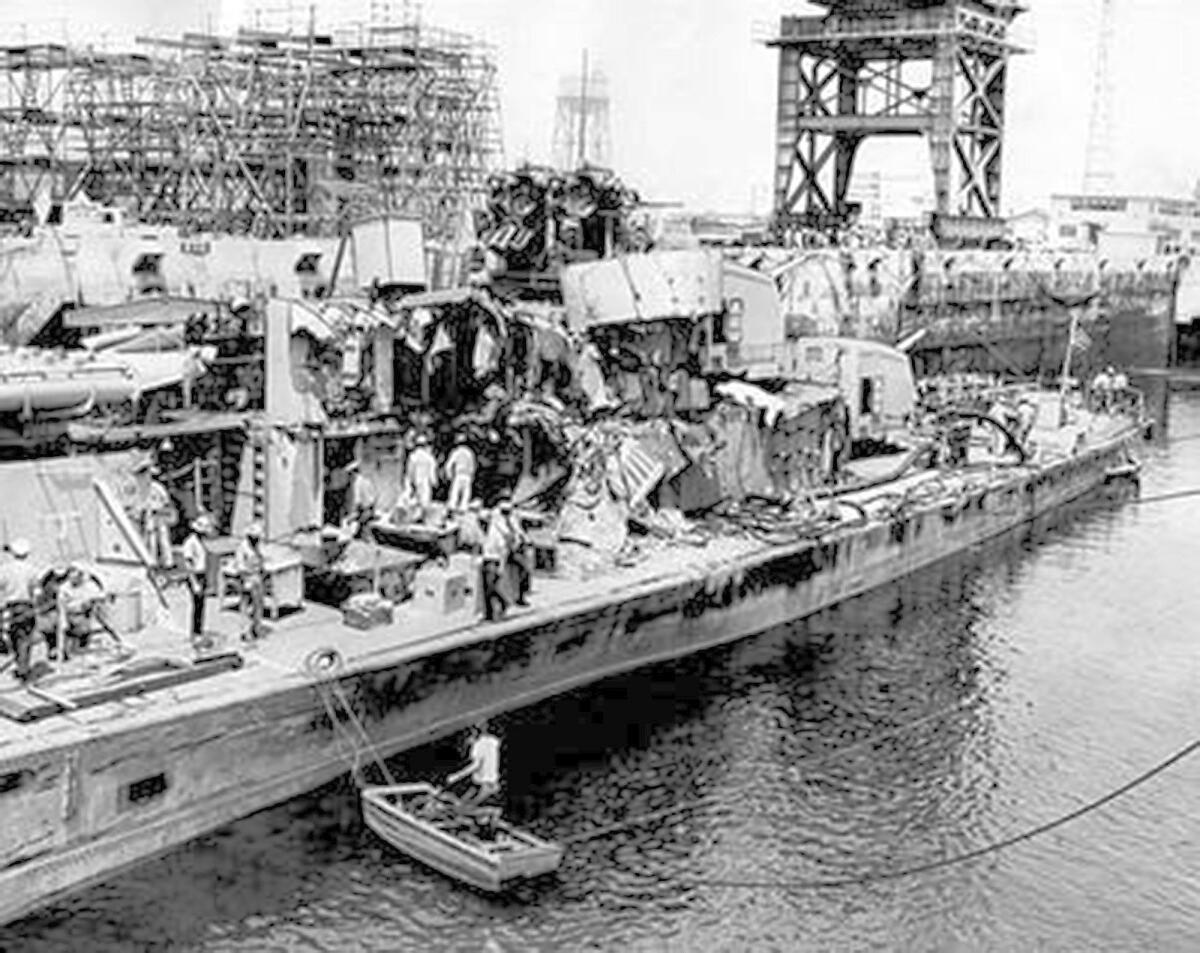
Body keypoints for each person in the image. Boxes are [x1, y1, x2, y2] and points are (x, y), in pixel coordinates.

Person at [0, 539, 41, 683]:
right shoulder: (33, 570)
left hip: (9, 608)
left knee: (13, 637)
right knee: (25, 639)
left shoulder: (4, 569)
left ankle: (20, 666)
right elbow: (37, 592)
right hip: (26, 607)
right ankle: (23, 669)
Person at [57, 564, 118, 655]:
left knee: (100, 610)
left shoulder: (88, 586)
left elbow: (97, 595)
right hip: (73, 618)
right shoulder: (64, 589)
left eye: (76, 576)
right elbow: (63, 607)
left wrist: (105, 596)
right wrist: (80, 606)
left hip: (87, 616)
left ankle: (111, 637)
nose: (73, 578)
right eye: (71, 576)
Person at [128, 459, 174, 567]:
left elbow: (166, 502)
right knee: (149, 538)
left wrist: (158, 509)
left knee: (163, 538)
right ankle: (151, 561)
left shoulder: (157, 488)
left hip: (159, 516)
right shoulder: (140, 490)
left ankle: (168, 561)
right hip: (148, 516)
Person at [446, 723, 502, 810]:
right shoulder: (492, 741)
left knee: (462, 808)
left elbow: (475, 765)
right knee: (461, 803)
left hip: (483, 785)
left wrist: (456, 776)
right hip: (490, 782)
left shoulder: (478, 746)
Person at [181, 513, 216, 641]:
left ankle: (199, 630)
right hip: (195, 575)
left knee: (201, 605)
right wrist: (194, 582)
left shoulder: (200, 542)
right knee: (197, 605)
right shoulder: (190, 543)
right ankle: (195, 632)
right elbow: (188, 565)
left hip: (201, 574)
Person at [231, 522, 267, 642]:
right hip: (247, 578)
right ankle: (245, 631)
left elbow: (261, 560)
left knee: (258, 605)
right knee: (246, 607)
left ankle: (257, 628)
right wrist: (246, 578)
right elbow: (240, 566)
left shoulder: (257, 547)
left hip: (257, 577)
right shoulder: (242, 548)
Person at [480, 504, 510, 622]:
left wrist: (501, 567)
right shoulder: (491, 529)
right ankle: (488, 614)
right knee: (486, 589)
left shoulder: (499, 535)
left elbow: (503, 552)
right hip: (486, 559)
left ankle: (503, 602)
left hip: (494, 561)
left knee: (491, 588)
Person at [502, 501, 531, 607]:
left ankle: (520, 595)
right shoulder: (498, 518)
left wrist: (525, 540)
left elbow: (519, 531)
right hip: (506, 549)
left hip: (515, 548)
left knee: (524, 571)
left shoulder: (514, 517)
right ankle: (513, 597)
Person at [404, 435, 438, 521]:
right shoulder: (429, 457)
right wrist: (434, 482)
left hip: (416, 480)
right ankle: (423, 518)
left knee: (415, 499)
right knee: (425, 500)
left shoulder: (413, 456)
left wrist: (409, 482)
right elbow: (432, 471)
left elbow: (409, 471)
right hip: (425, 481)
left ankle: (414, 517)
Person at [444, 435, 477, 514]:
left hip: (458, 474)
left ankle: (452, 505)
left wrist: (449, 475)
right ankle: (463, 507)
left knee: (455, 491)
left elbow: (449, 464)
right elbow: (472, 465)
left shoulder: (456, 452)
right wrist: (472, 475)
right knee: (466, 492)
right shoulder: (470, 453)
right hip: (467, 475)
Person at [344, 460, 378, 536]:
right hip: (361, 511)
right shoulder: (356, 483)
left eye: (350, 474)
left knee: (362, 531)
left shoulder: (361, 482)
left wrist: (357, 515)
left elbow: (365, 501)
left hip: (365, 510)